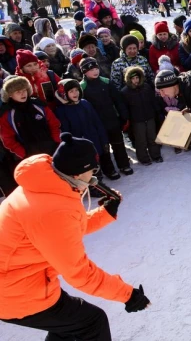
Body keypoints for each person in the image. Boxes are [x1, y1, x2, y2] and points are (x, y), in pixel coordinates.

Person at [0, 133, 149, 341]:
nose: (94, 174)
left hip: (22, 282)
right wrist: (127, 294)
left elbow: (62, 231)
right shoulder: (54, 210)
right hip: (15, 293)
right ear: (78, 174)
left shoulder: (44, 185)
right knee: (91, 322)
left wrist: (105, 213)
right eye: (92, 169)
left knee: (70, 327)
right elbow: (79, 273)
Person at [79, 58, 133, 177]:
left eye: (96, 68)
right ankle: (109, 169)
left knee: (118, 144)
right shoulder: (82, 87)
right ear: (84, 72)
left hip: (112, 119)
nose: (95, 71)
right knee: (104, 148)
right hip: (97, 124)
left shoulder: (106, 82)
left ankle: (124, 164)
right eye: (91, 69)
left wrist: (123, 116)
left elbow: (117, 100)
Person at [0, 75, 61, 161]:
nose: (23, 93)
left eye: (24, 90)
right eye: (18, 91)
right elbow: (7, 139)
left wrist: (56, 142)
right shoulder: (6, 114)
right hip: (30, 156)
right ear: (9, 94)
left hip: (52, 149)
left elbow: (54, 124)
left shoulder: (39, 105)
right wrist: (23, 153)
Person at [121, 67, 163, 165]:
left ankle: (156, 155)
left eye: (137, 78)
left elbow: (153, 101)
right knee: (141, 140)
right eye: (133, 78)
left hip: (150, 117)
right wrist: (127, 120)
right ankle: (144, 158)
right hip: (137, 120)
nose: (136, 80)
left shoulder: (146, 87)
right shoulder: (125, 92)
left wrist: (157, 112)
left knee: (152, 137)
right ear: (129, 79)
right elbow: (124, 108)